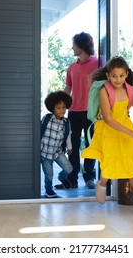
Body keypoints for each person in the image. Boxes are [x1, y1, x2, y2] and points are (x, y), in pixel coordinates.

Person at [82, 56, 133, 216]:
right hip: (108, 129)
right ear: (108, 75)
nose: (118, 79)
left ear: (126, 74)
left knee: (132, 165)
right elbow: (108, 118)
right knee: (110, 160)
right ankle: (103, 183)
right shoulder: (104, 91)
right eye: (114, 76)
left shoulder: (131, 91)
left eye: (121, 75)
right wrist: (130, 132)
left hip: (125, 126)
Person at [56, 32, 98, 190]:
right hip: (73, 111)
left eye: (74, 45)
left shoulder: (98, 63)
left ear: (81, 46)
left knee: (90, 145)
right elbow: (68, 87)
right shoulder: (71, 67)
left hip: (92, 112)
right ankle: (72, 179)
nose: (72, 48)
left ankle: (89, 176)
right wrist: (59, 105)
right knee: (72, 146)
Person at [40, 91, 74, 198]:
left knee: (69, 168)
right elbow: (38, 130)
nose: (62, 110)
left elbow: (68, 135)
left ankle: (62, 178)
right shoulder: (47, 118)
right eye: (58, 108)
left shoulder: (67, 122)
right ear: (52, 108)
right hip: (45, 151)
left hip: (57, 151)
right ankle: (48, 190)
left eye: (64, 107)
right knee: (49, 173)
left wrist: (70, 147)